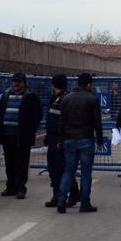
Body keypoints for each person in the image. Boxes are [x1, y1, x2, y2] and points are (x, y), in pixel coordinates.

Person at [57, 73, 104, 214]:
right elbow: (97, 122)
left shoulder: (66, 98)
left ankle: (61, 200)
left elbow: (61, 121)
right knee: (86, 172)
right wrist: (100, 140)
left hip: (69, 140)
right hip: (86, 139)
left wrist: (61, 139)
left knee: (68, 171)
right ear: (88, 84)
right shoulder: (92, 99)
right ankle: (85, 203)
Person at [0, 73, 42, 199]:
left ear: (24, 83)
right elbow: (0, 112)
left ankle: (20, 187)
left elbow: (38, 115)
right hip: (7, 134)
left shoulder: (30, 96)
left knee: (21, 163)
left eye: (19, 81)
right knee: (9, 162)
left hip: (22, 136)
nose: (16, 84)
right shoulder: (6, 95)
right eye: (14, 81)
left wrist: (30, 130)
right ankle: (10, 186)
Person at [43, 74, 80, 208]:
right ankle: (57, 195)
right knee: (54, 168)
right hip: (53, 138)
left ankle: (73, 193)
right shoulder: (57, 99)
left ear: (54, 85)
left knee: (62, 168)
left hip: (60, 139)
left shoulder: (64, 99)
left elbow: (64, 121)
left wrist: (61, 139)